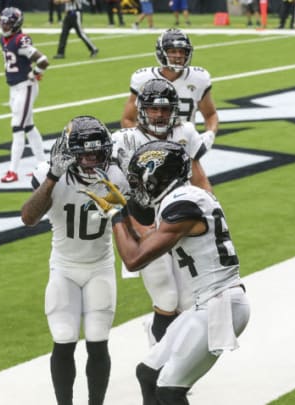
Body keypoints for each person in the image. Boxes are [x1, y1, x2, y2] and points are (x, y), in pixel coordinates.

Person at [83, 140, 250, 405]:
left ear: (157, 176)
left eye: (140, 179)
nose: (138, 187)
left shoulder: (183, 203)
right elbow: (145, 237)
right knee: (148, 374)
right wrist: (123, 211)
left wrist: (115, 215)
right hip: (206, 302)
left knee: (170, 390)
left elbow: (134, 259)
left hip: (220, 304)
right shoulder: (184, 197)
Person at [21, 116, 129, 405]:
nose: (92, 158)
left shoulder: (117, 176)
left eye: (97, 151)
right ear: (69, 152)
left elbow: (140, 220)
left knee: (97, 341)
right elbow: (28, 217)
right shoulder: (51, 173)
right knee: (64, 339)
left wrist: (130, 202)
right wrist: (53, 177)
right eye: (85, 152)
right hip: (64, 268)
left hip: (100, 267)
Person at [112, 78, 212, 347]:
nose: (159, 114)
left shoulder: (186, 132)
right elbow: (114, 191)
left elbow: (199, 177)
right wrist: (138, 227)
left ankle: (169, 353)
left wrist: (212, 211)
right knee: (166, 298)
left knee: (189, 300)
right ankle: (159, 364)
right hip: (143, 221)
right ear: (142, 109)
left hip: (179, 221)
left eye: (165, 109)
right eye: (154, 109)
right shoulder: (124, 140)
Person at [121, 29, 218, 150]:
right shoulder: (143, 79)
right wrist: (144, 143)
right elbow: (128, 119)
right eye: (173, 51)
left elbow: (210, 114)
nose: (178, 56)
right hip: (151, 146)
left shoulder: (198, 78)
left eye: (182, 51)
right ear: (161, 53)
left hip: (185, 145)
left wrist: (210, 134)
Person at [0, 7, 49, 183]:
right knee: (28, 126)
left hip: (25, 86)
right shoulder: (4, 39)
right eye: (3, 22)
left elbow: (43, 60)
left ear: (16, 24)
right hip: (14, 88)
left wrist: (35, 73)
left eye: (8, 23)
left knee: (17, 127)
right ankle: (43, 164)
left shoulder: (21, 40)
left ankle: (12, 171)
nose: (4, 26)